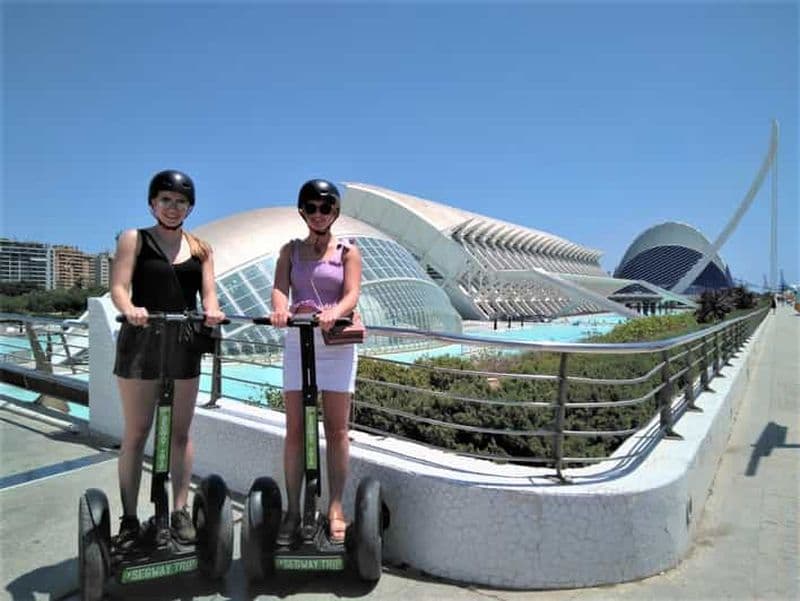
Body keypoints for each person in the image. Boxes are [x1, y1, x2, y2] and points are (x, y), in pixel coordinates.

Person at [110, 169, 225, 548]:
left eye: (180, 202)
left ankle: (178, 510)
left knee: (179, 433)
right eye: (165, 200)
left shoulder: (201, 249)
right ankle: (129, 519)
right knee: (137, 432)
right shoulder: (134, 239)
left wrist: (212, 310)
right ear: (152, 203)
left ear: (190, 207)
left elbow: (208, 294)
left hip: (183, 342)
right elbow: (119, 287)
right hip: (141, 340)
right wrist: (131, 309)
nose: (173, 208)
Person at [270, 178, 363, 545]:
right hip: (298, 340)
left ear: (335, 212)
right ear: (302, 212)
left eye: (326, 208)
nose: (319, 214)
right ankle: (294, 510)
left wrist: (333, 311)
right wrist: (280, 310)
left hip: (336, 342)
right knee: (294, 429)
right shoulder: (289, 251)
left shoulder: (347, 252)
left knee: (337, 429)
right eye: (312, 208)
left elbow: (352, 293)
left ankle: (336, 506)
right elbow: (280, 289)